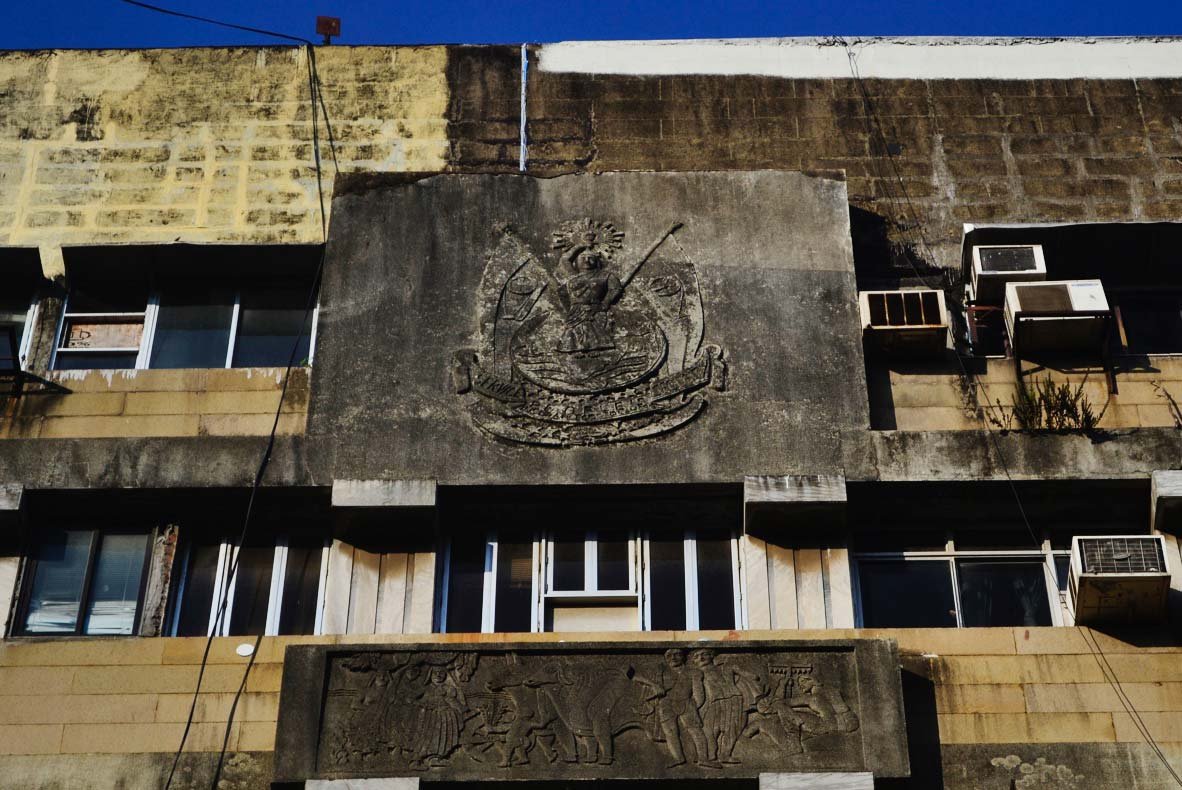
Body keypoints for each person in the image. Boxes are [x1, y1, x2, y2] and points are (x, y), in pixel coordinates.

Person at [555, 246, 623, 353]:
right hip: (575, 310)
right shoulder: (572, 276)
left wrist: (605, 303)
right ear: (576, 261)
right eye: (583, 258)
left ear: (597, 261)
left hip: (595, 308)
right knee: (574, 331)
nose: (586, 260)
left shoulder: (604, 275)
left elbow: (615, 288)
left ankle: (596, 350)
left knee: (595, 330)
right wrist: (579, 247)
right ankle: (575, 350)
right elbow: (564, 260)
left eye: (590, 258)